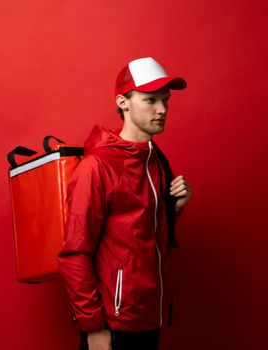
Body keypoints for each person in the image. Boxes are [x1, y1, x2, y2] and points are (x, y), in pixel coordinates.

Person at [58, 57, 192, 350]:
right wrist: (93, 327)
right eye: (150, 100)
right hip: (114, 325)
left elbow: (143, 238)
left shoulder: (155, 159)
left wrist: (175, 210)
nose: (162, 110)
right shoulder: (97, 167)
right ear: (123, 102)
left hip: (149, 317)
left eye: (165, 100)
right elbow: (74, 253)